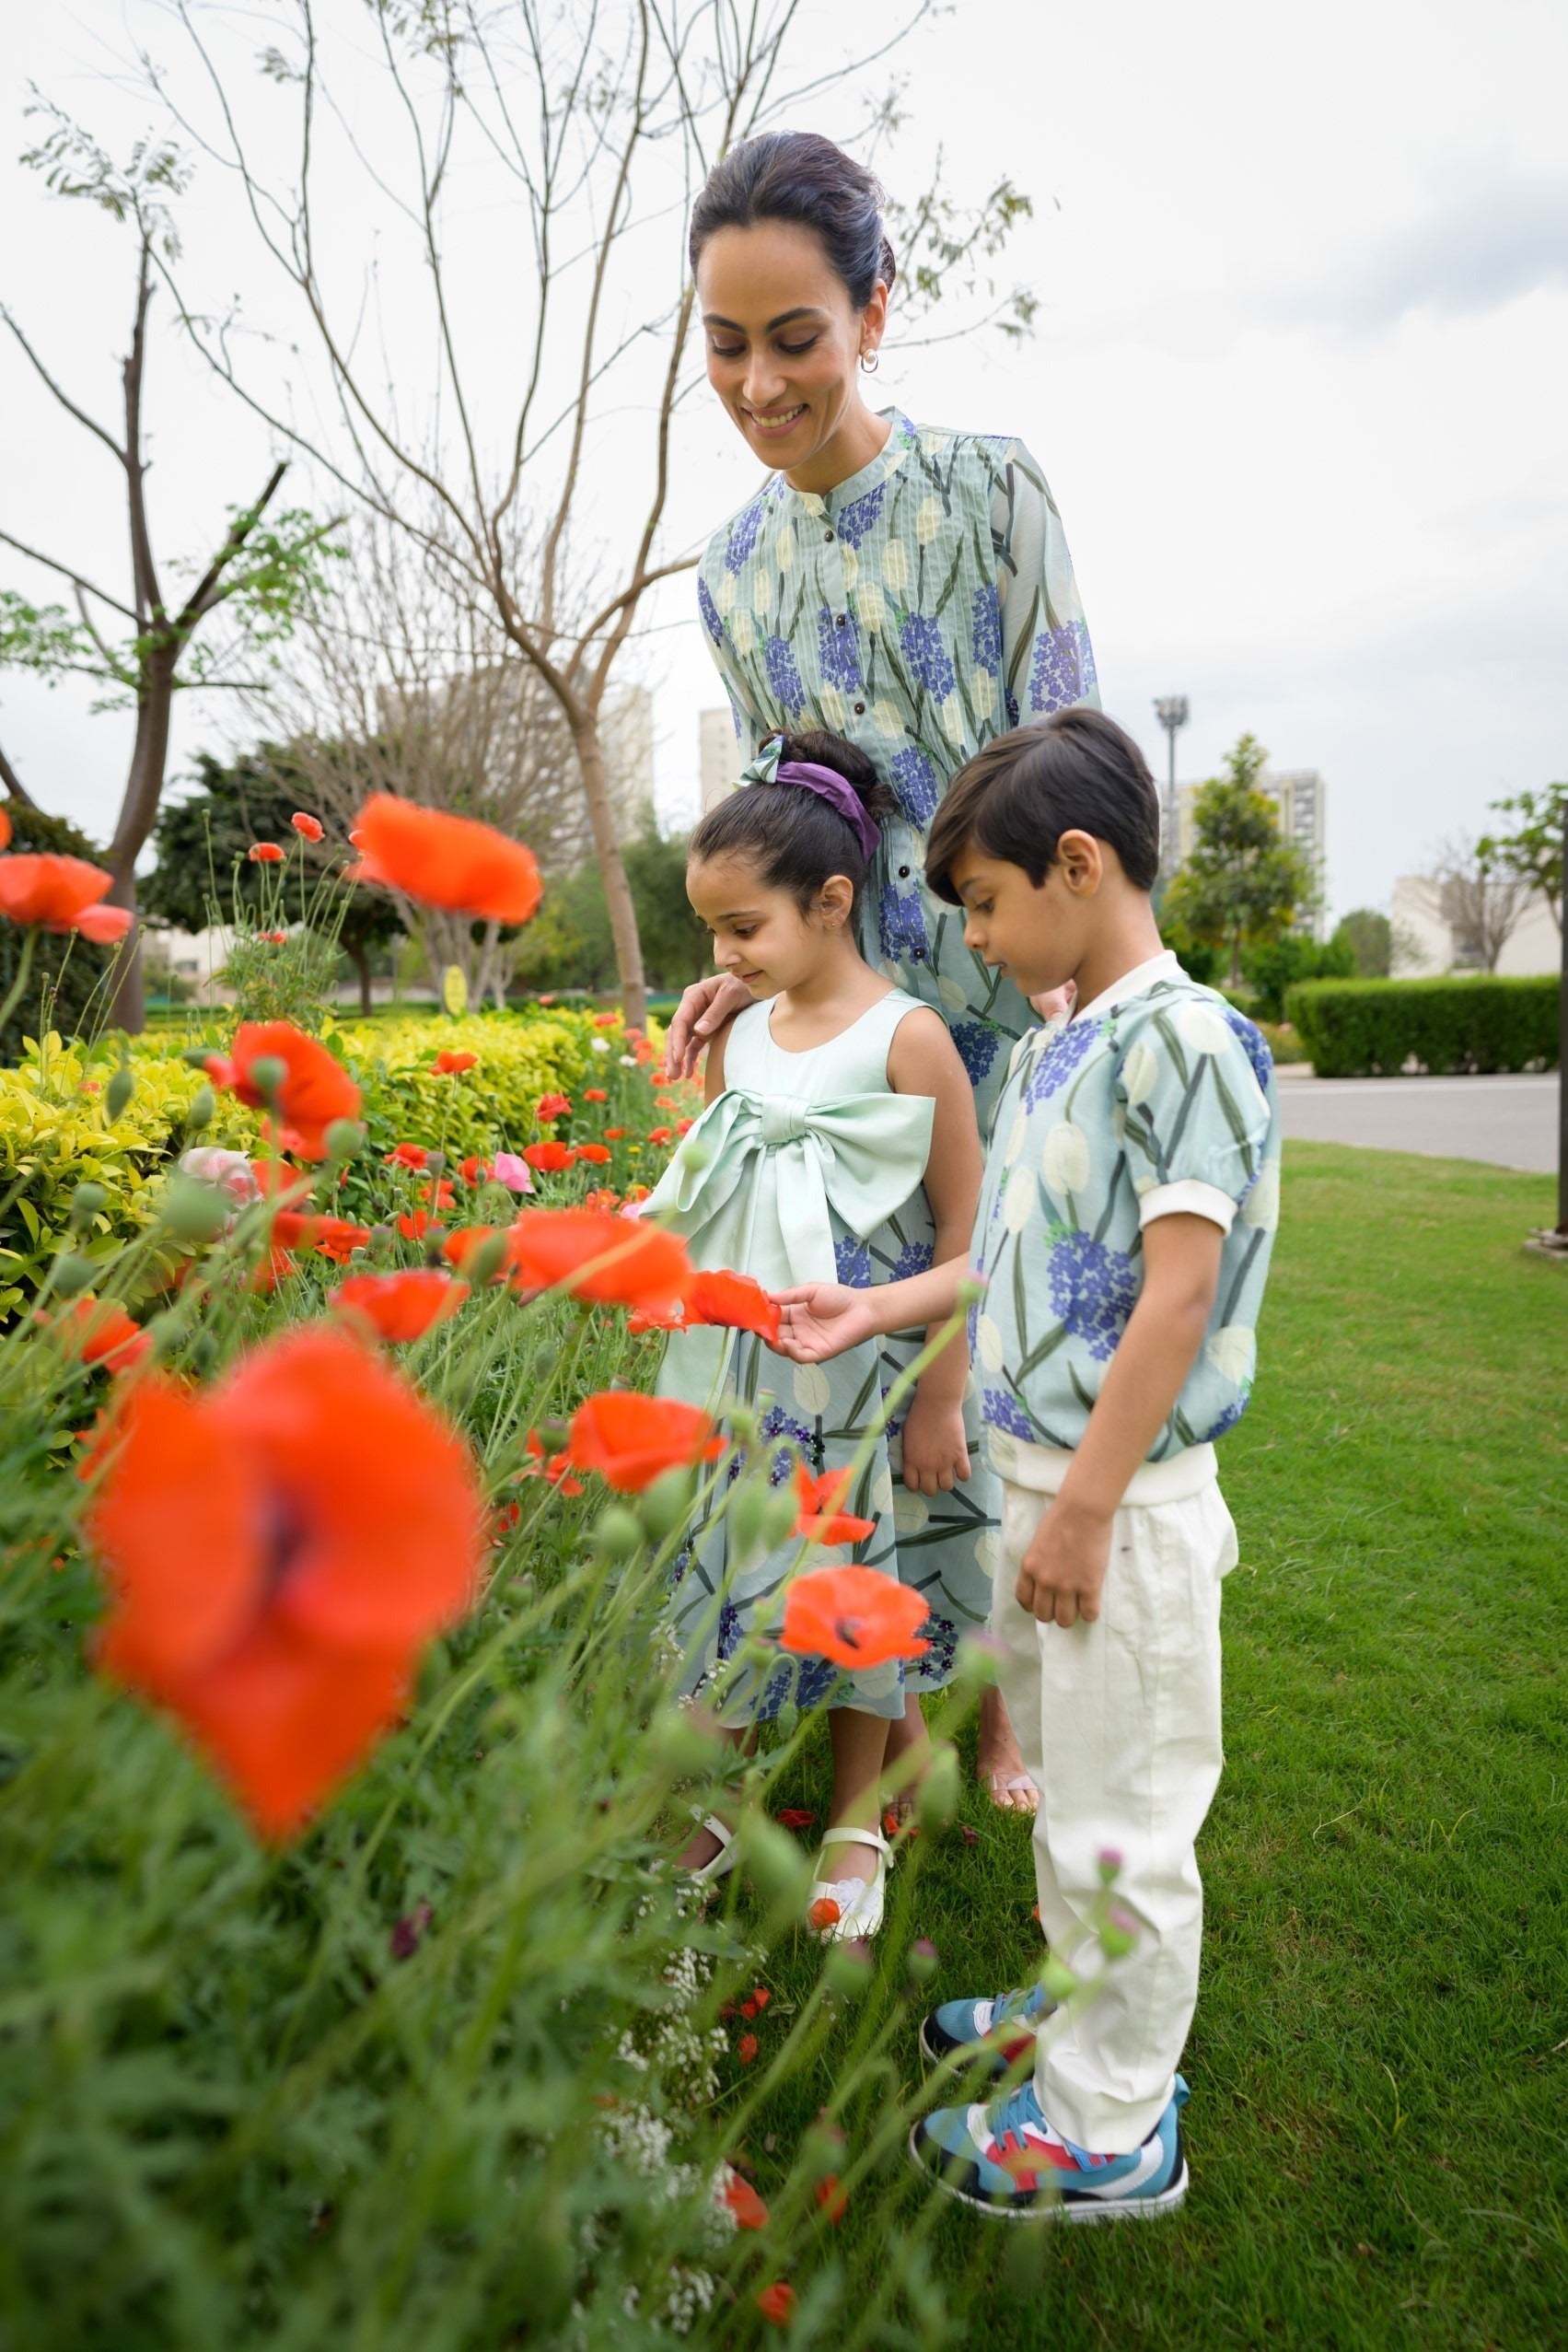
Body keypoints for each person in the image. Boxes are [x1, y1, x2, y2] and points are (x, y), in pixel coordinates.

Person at [772, 707, 1282, 2217]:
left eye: (988, 902)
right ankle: (1079, 2022)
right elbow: (1010, 1259)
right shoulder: (1071, 1039)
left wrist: (1080, 1505)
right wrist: (879, 1304)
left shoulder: (1186, 1036)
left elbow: (1177, 1298)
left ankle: (1114, 2125)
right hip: (1058, 1491)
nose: (979, 937)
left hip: (1112, 1510)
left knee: (1126, 1816)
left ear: (1079, 861)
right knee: (1069, 1790)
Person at [668, 125, 1101, 1813]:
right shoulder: (730, 570)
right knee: (872, 1349)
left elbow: (1066, 741)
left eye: (795, 337)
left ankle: (990, 1712)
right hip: (849, 1026)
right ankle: (894, 1682)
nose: (760, 382)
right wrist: (747, 972)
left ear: (872, 312)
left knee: (987, 1356)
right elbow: (793, 806)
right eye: (725, 340)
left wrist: (1082, 1000)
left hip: (1013, 993)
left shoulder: (996, 492)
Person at [641, 728, 991, 1941]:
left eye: (743, 930)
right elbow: (720, 1197)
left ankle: (856, 1811)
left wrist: (940, 1393)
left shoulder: (908, 1040)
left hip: (867, 1372)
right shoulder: (738, 1033)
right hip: (747, 1370)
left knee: (858, 1582)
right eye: (713, 935)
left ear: (831, 902)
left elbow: (965, 1220)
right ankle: (718, 1788)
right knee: (728, 1575)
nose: (722, 960)